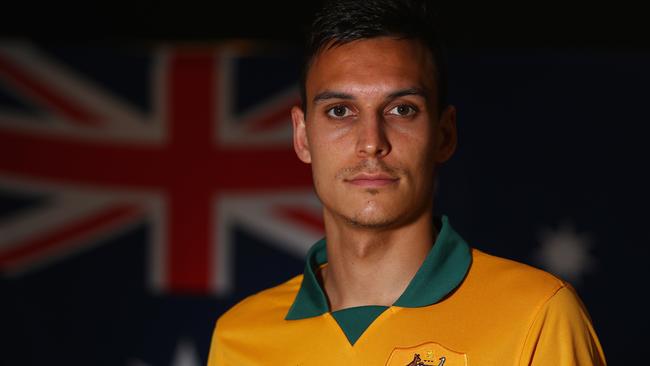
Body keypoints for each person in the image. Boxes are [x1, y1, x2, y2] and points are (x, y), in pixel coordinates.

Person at [207, 0, 607, 364]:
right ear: (302, 136)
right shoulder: (238, 336)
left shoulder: (538, 315)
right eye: (340, 110)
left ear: (444, 134)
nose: (370, 143)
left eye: (401, 109)